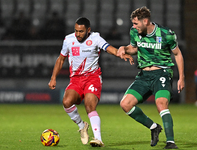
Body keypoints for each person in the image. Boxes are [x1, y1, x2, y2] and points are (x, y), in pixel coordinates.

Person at [48, 17, 133, 147]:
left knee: (89, 106)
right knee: (66, 102)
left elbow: (109, 48)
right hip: (76, 79)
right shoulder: (68, 40)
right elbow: (61, 59)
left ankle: (98, 139)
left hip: (92, 77)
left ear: (88, 30)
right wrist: (53, 77)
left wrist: (119, 54)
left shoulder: (95, 38)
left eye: (81, 31)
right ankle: (82, 126)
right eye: (76, 31)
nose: (78, 34)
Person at [117, 6, 184, 149]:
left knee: (161, 104)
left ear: (145, 21)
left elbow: (177, 54)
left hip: (162, 73)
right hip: (144, 75)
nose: (133, 26)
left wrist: (181, 77)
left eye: (136, 23)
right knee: (125, 104)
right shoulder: (135, 32)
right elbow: (134, 48)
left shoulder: (166, 34)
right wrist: (124, 48)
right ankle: (154, 127)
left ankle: (170, 142)